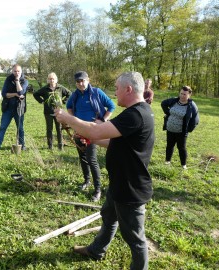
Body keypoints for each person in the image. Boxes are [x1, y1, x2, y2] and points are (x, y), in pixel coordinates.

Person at [55, 71, 155, 270]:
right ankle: (96, 250)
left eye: (117, 89)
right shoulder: (137, 112)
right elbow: (112, 141)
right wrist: (88, 136)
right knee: (109, 217)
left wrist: (68, 118)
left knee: (135, 239)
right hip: (120, 183)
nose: (115, 93)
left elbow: (95, 129)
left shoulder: (136, 114)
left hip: (130, 189)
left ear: (128, 89)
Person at [66, 71, 115, 202]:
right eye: (78, 82)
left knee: (91, 159)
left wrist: (103, 120)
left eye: (82, 81)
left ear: (88, 80)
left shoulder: (97, 92)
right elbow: (69, 106)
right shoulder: (75, 95)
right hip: (78, 131)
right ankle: (87, 181)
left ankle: (98, 189)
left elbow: (111, 106)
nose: (80, 84)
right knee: (82, 157)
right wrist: (73, 120)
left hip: (93, 131)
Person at [0, 64, 28, 151]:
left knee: (20, 129)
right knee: (2, 128)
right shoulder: (8, 79)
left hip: (19, 109)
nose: (16, 73)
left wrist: (17, 81)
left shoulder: (25, 81)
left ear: (21, 71)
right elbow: (4, 94)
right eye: (15, 71)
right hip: (7, 108)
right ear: (12, 71)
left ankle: (22, 146)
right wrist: (15, 94)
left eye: (18, 71)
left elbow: (21, 92)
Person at [161, 85, 199, 169]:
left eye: (184, 94)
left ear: (189, 95)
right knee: (169, 146)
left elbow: (195, 120)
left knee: (181, 148)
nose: (182, 96)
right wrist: (168, 113)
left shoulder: (191, 105)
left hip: (181, 131)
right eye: (181, 93)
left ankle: (183, 165)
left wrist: (188, 129)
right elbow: (163, 103)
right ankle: (167, 162)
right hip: (170, 128)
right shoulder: (174, 100)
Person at [33, 72, 71, 150]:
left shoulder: (60, 88)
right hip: (48, 112)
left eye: (53, 79)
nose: (52, 80)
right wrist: (42, 101)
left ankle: (60, 145)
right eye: (50, 79)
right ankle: (50, 146)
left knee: (59, 128)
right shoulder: (45, 88)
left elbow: (69, 94)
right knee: (49, 129)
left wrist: (63, 101)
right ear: (48, 80)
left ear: (56, 80)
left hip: (58, 112)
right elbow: (35, 94)